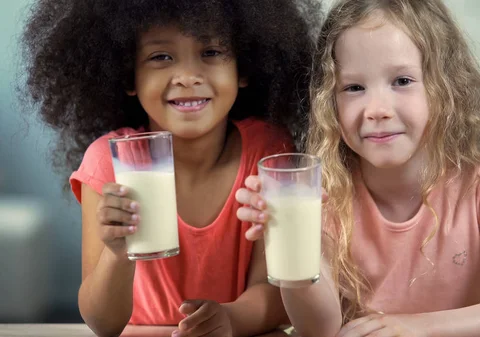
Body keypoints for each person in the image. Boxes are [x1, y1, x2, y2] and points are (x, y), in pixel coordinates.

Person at [236, 0, 480, 336]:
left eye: (402, 81)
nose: (377, 109)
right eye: (354, 88)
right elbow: (319, 329)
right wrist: (293, 243)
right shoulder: (326, 193)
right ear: (329, 101)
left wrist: (417, 328)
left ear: (447, 87)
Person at [20, 0, 320, 336]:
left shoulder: (268, 153)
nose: (189, 76)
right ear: (127, 74)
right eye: (161, 57)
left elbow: (278, 291)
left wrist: (231, 319)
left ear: (244, 67)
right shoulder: (108, 163)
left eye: (211, 52)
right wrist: (117, 254)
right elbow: (102, 323)